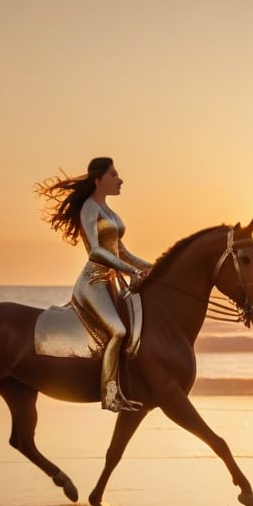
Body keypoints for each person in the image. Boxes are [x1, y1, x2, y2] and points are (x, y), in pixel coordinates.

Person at [35, 157, 153, 412]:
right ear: (98, 180)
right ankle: (110, 395)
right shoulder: (89, 208)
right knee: (119, 331)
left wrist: (151, 267)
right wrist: (130, 270)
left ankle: (127, 386)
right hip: (92, 281)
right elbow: (95, 252)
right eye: (113, 174)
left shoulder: (110, 212)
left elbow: (122, 251)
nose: (120, 179)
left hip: (112, 282)